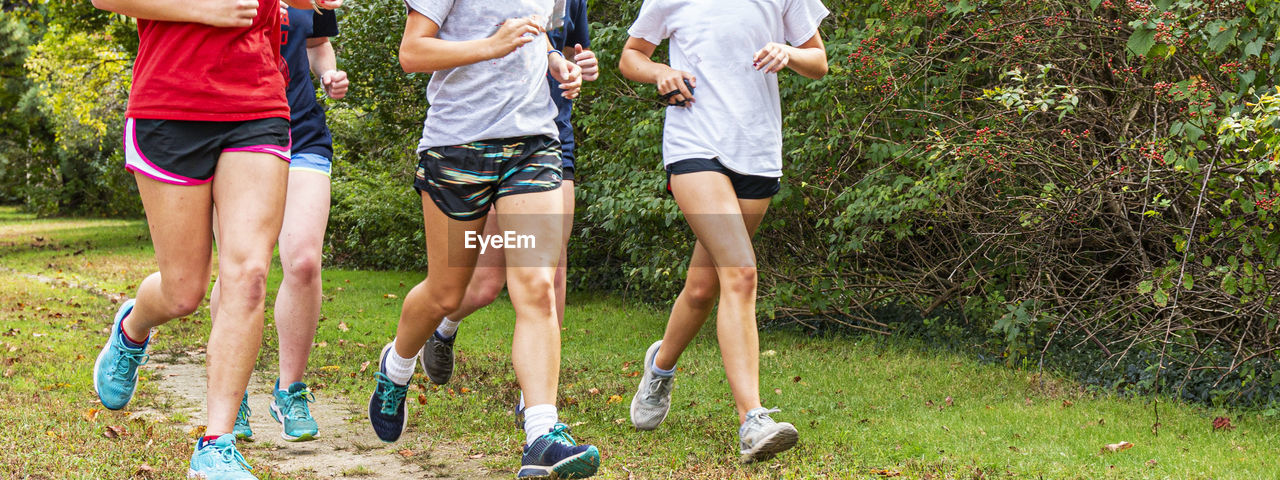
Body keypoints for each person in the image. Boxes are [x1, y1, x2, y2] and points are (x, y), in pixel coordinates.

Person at [89, 0, 336, 478]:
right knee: (183, 291)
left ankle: (215, 445)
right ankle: (132, 328)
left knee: (249, 273)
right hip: (169, 103)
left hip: (257, 102)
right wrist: (201, 9)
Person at [367, 1, 600, 478]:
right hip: (457, 143)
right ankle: (396, 365)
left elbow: (537, 41)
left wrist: (557, 64)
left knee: (536, 286)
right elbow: (412, 52)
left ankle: (540, 433)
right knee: (446, 291)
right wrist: (491, 46)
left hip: (534, 142)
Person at [618, 0, 829, 464]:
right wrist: (659, 74)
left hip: (756, 149)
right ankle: (753, 420)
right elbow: (631, 55)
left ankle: (660, 367)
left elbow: (819, 61)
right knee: (741, 273)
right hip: (695, 143)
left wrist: (788, 54)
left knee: (701, 287)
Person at [417, 0, 597, 408]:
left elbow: (563, 47)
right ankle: (439, 327)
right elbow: (419, 49)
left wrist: (577, 69)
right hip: (486, 134)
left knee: (548, 274)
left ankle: (535, 404)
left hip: (548, 135)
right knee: (483, 283)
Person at [209, 4, 350, 444]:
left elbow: (318, 44)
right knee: (240, 268)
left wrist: (329, 74)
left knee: (305, 261)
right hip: (235, 131)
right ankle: (234, 396)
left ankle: (290, 390)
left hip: (301, 131)